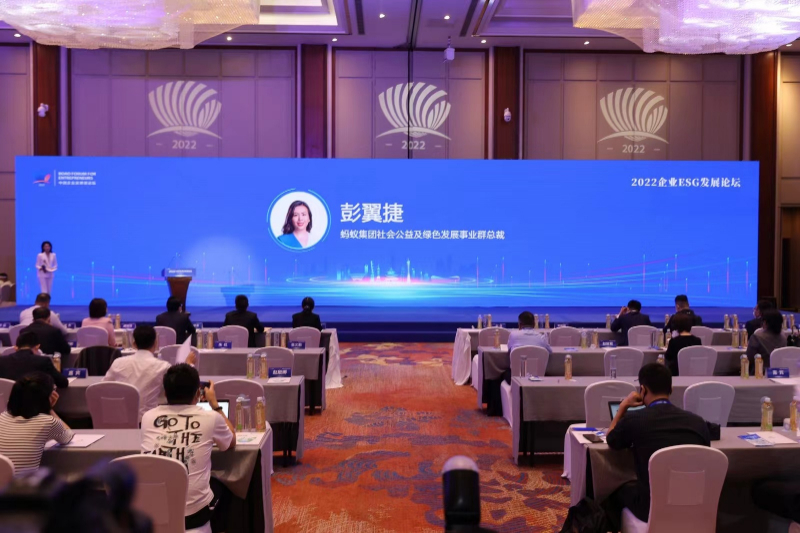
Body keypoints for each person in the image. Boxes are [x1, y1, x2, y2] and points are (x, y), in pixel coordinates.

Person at [603, 363, 711, 530]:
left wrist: (623, 406)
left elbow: (611, 439)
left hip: (649, 508)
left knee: (611, 494)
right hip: (694, 504)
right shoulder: (698, 422)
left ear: (643, 390)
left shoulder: (635, 419)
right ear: (671, 390)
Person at [141, 364, 235, 531]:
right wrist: (215, 404)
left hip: (155, 513)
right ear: (198, 393)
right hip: (193, 516)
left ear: (165, 393)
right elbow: (231, 441)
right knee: (226, 486)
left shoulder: (148, 417)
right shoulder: (211, 418)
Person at [104, 325, 195, 421]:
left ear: (134, 344)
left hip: (119, 421)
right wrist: (188, 364)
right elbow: (180, 390)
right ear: (155, 343)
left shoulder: (118, 363)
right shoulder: (163, 366)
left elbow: (103, 387)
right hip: (149, 422)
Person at [0, 372, 74, 476]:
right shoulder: (48, 421)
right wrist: (49, 409)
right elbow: (68, 436)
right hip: (21, 485)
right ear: (47, 397)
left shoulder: (2, 416)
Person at [0, 331, 68, 388]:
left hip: (6, 399)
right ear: (37, 347)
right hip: (35, 399)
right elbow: (63, 382)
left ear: (16, 347)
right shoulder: (43, 361)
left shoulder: (2, 361)